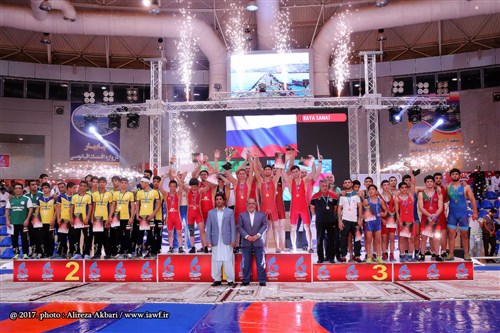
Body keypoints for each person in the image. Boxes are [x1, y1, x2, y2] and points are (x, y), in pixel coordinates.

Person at [281, 152, 322, 253]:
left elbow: (313, 172)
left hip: (304, 207)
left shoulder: (305, 180)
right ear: (292, 173)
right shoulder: (290, 182)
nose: (295, 173)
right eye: (293, 172)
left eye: (296, 171)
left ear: (299, 171)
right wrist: (285, 160)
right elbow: (282, 171)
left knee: (307, 227)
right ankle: (294, 247)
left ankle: (309, 246)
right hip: (294, 208)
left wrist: (312, 162)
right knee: (293, 227)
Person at [445, 168, 478, 261]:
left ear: (459, 175)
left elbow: (472, 200)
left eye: (456, 174)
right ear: (450, 176)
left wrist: (475, 213)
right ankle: (451, 254)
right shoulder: (448, 187)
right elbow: (446, 200)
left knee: (464, 234)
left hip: (463, 214)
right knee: (451, 235)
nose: (454, 175)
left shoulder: (466, 187)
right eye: (453, 174)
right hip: (452, 215)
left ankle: (466, 254)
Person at [206, 194, 236, 286]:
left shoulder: (229, 212)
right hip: (215, 240)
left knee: (228, 259)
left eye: (220, 199)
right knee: (216, 260)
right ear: (215, 201)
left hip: (227, 240)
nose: (219, 201)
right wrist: (208, 241)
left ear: (224, 201)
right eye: (217, 199)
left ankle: (230, 279)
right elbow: (208, 228)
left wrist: (233, 240)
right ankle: (217, 279)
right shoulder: (211, 213)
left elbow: (233, 227)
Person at [238, 198, 268, 286]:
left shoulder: (261, 215)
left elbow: (265, 225)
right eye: (249, 203)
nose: (251, 205)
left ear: (255, 204)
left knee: (261, 262)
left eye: (253, 203)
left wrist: (257, 235)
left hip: (258, 241)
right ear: (247, 204)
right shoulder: (241, 215)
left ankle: (262, 280)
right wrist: (247, 236)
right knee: (246, 262)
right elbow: (239, 227)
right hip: (246, 242)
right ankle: (246, 279)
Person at [254, 161, 281, 253]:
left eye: (269, 169)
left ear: (271, 171)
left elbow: (278, 170)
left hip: (273, 207)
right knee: (264, 228)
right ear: (264, 171)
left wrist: (279, 158)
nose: (267, 171)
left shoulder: (274, 181)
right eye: (265, 169)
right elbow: (256, 171)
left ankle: (278, 246)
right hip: (264, 207)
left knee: (275, 227)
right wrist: (255, 158)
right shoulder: (261, 181)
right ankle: (265, 246)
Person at [310, 179, 338, 263]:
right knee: (319, 240)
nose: (325, 187)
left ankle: (331, 257)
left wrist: (331, 215)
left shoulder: (333, 196)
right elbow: (312, 208)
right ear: (320, 186)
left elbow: (335, 208)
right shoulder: (315, 196)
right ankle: (320, 258)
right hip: (320, 221)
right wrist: (318, 215)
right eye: (323, 186)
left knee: (331, 240)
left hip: (331, 221)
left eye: (326, 186)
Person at [417, 175, 444, 261]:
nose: (429, 183)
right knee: (424, 237)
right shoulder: (421, 194)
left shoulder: (438, 193)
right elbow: (421, 207)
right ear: (425, 183)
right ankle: (422, 254)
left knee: (436, 237)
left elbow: (440, 207)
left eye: (431, 181)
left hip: (436, 218)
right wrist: (430, 215)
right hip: (426, 219)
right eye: (427, 181)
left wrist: (435, 215)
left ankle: (437, 254)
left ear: (433, 183)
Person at [109, 178, 136, 258]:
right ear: (120, 184)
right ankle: (119, 252)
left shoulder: (130, 194)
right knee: (118, 235)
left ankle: (129, 251)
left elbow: (132, 206)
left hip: (127, 217)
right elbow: (113, 206)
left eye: (125, 183)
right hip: (117, 218)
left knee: (128, 235)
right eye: (122, 183)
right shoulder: (116, 194)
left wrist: (132, 217)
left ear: (127, 184)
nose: (123, 184)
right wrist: (110, 216)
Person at [135, 177, 161, 258]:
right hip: (142, 216)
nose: (141, 183)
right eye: (141, 182)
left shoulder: (155, 192)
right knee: (140, 235)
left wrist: (153, 214)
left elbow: (158, 204)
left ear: (147, 183)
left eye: (143, 182)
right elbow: (137, 205)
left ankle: (151, 252)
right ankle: (139, 252)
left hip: (150, 217)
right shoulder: (139, 193)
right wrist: (137, 215)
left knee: (151, 235)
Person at [5, 183, 33, 259]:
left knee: (25, 239)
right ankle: (16, 254)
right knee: (14, 239)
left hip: (24, 223)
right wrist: (7, 221)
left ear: (22, 190)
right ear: (14, 190)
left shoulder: (27, 198)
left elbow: (30, 209)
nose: (18, 189)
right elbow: (7, 210)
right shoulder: (11, 200)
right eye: (16, 188)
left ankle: (25, 254)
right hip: (13, 223)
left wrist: (27, 219)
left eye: (19, 188)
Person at [338, 179, 362, 263]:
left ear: (351, 184)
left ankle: (357, 255)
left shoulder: (357, 194)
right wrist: (339, 221)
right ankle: (343, 255)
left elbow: (360, 207)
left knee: (357, 238)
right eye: (345, 183)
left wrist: (360, 219)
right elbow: (339, 209)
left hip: (355, 220)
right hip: (345, 220)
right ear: (343, 185)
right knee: (343, 239)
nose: (347, 184)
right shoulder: (342, 195)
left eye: (349, 182)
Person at [159, 175, 185, 254]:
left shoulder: (178, 194)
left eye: (174, 186)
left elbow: (181, 185)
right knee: (170, 234)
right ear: (169, 187)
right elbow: (160, 187)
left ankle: (181, 247)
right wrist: (163, 178)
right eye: (171, 186)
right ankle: (170, 247)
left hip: (177, 216)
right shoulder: (166, 194)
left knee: (179, 233)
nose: (173, 188)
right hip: (169, 217)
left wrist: (176, 177)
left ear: (176, 187)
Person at [363, 184, 388, 264]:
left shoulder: (380, 200)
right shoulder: (366, 201)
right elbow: (363, 212)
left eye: (373, 189)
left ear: (376, 191)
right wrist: (364, 217)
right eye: (370, 189)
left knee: (378, 240)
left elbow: (386, 210)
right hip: (369, 223)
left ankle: (378, 256)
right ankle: (369, 256)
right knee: (369, 240)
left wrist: (383, 214)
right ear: (368, 191)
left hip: (377, 222)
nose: (371, 191)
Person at [91, 177, 113, 259]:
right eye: (100, 182)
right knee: (97, 237)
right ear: (98, 184)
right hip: (97, 219)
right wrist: (92, 217)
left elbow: (111, 206)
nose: (102, 184)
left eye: (103, 182)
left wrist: (109, 217)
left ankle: (108, 253)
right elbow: (93, 206)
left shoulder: (109, 194)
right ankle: (97, 253)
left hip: (105, 218)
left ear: (106, 183)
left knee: (106, 237)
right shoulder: (95, 194)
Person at [70, 181, 93, 259]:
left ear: (86, 188)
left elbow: (90, 208)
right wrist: (71, 218)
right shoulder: (74, 196)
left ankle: (86, 253)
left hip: (85, 219)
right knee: (76, 237)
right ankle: (77, 253)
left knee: (87, 237)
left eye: (84, 186)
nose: (82, 187)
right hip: (76, 219)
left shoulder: (89, 196)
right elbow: (72, 208)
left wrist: (87, 217)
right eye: (81, 185)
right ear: (79, 187)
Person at [395, 181, 416, 262]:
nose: (404, 189)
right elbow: (397, 211)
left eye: (405, 187)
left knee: (412, 238)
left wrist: (411, 170)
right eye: (402, 188)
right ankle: (402, 255)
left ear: (407, 188)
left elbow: (413, 184)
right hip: (402, 219)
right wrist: (399, 221)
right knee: (402, 238)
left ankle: (410, 255)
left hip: (411, 220)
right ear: (399, 189)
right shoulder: (397, 198)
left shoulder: (411, 195)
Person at [53, 182, 75, 259]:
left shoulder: (75, 197)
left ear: (66, 187)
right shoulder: (60, 197)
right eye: (59, 187)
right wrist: (58, 218)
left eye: (62, 187)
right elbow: (58, 208)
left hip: (72, 220)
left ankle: (71, 252)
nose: (61, 189)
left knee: (72, 237)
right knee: (61, 237)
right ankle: (62, 252)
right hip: (63, 220)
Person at [34, 182, 56, 258]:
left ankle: (51, 253)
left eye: (46, 188)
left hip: (51, 222)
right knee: (43, 238)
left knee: (51, 238)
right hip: (42, 222)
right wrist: (35, 217)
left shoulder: (53, 199)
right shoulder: (40, 199)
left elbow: (56, 210)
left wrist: (53, 219)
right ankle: (44, 253)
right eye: (43, 188)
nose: (44, 189)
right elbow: (37, 210)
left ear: (49, 189)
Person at [25, 180, 43, 258]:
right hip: (30, 219)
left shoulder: (41, 194)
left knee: (39, 236)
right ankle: (33, 251)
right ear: (29, 187)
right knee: (31, 236)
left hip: (39, 219)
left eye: (36, 184)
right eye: (32, 184)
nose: (35, 186)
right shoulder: (25, 196)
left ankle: (40, 251)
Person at [380, 180, 397, 262]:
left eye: (388, 185)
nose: (386, 186)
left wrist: (396, 219)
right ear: (381, 187)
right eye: (384, 185)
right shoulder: (379, 197)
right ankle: (384, 254)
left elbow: (397, 209)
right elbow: (377, 210)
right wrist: (381, 219)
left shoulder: (393, 196)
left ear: (390, 186)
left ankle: (392, 254)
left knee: (392, 238)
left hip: (392, 220)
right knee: (384, 238)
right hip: (383, 220)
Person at [434, 172, 449, 260]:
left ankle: (443, 252)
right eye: (436, 178)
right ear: (434, 179)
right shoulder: (430, 189)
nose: (438, 179)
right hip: (431, 215)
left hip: (442, 215)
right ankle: (434, 253)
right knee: (433, 236)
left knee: (443, 234)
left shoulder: (444, 188)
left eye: (440, 178)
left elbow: (446, 200)